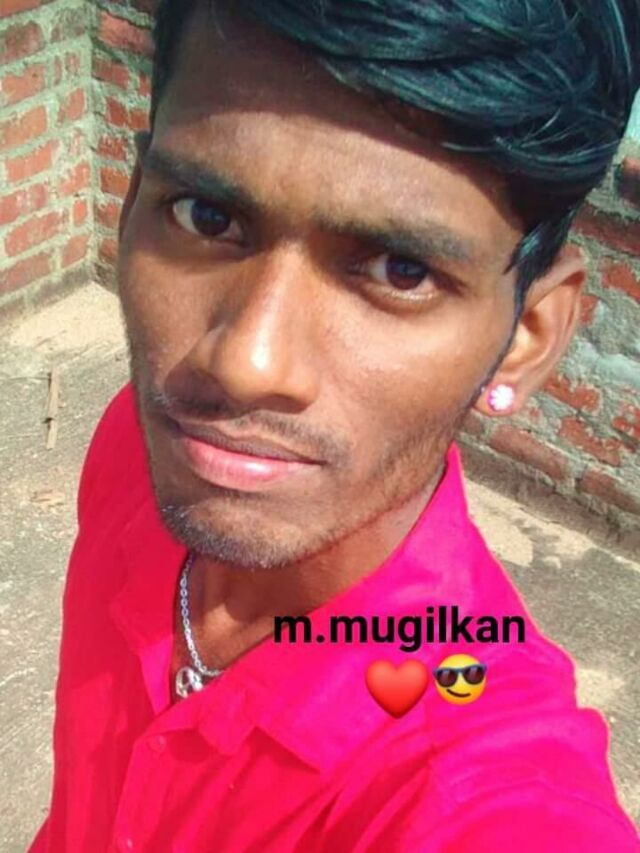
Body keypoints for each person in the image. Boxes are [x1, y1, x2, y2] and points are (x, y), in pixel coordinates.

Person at [30, 1, 639, 850]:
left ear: (526, 339)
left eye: (401, 269)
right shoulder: (141, 449)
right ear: (134, 201)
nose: (245, 363)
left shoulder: (476, 785)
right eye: (207, 215)